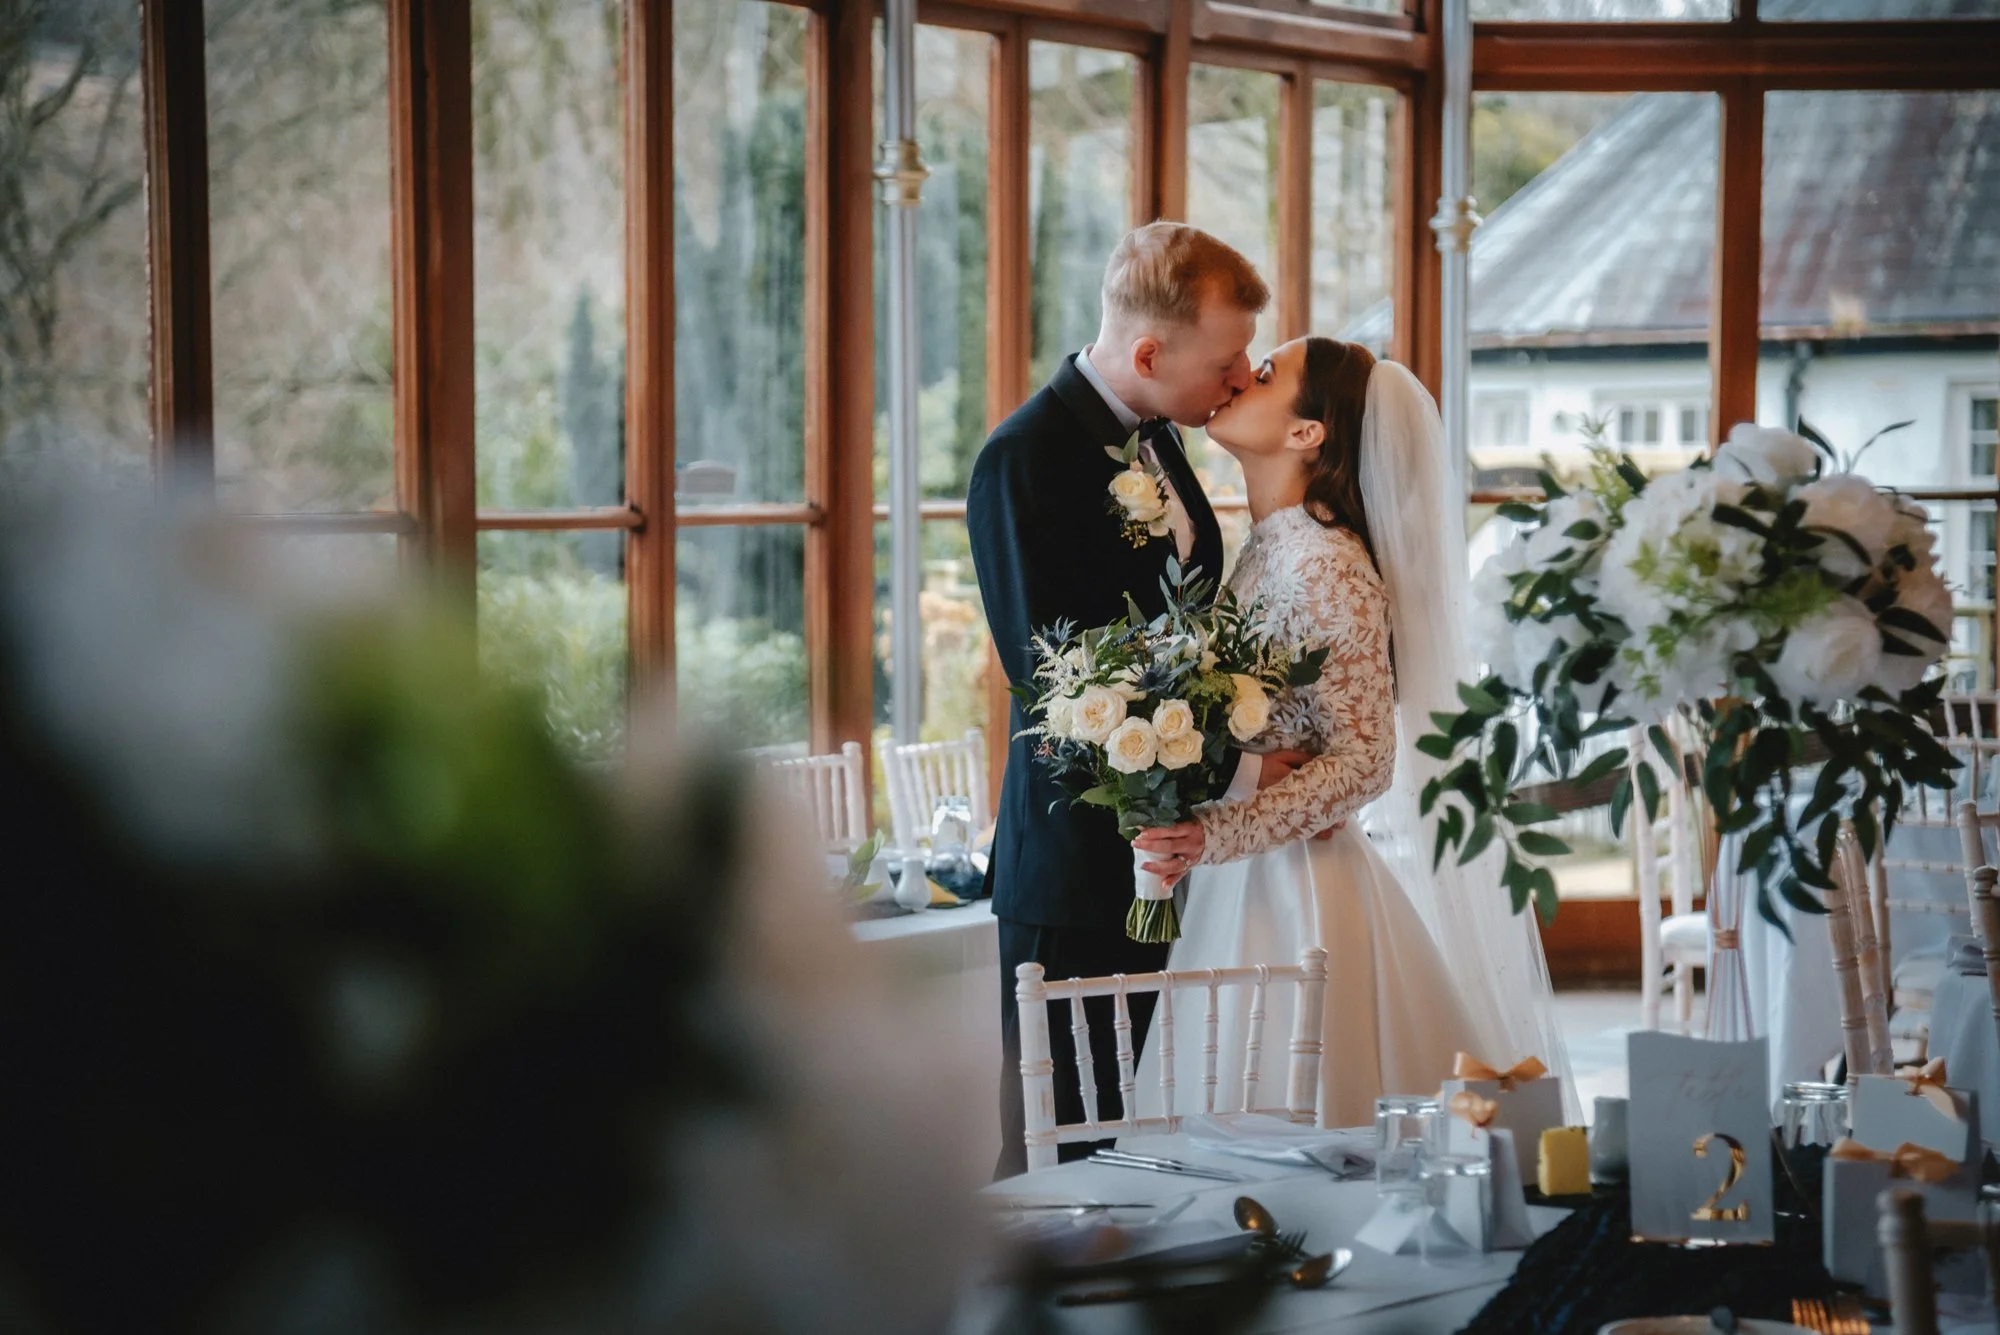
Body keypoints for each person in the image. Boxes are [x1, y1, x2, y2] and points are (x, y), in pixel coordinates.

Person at [1130, 337, 1573, 1126]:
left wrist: (1218, 834)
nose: (1239, 378)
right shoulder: (1273, 545)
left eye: (1266, 375)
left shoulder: (1328, 563)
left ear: (1308, 433)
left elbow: (1367, 758)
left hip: (1297, 890)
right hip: (1247, 873)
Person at [967, 222, 1307, 1178]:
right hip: (1076, 862)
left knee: (1137, 1133)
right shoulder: (1022, 461)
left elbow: (1184, 630)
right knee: (1057, 1141)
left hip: (1165, 850)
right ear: (1150, 353)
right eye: (1227, 360)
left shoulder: (1159, 435)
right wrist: (1238, 767)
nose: (1242, 379)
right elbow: (1061, 687)